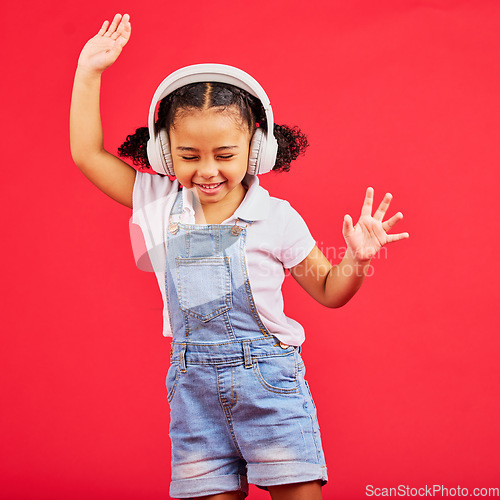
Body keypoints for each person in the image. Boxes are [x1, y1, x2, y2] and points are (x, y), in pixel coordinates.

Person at [70, 13, 409, 500]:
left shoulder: (278, 217)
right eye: (188, 156)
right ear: (165, 152)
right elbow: (86, 154)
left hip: (270, 388)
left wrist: (356, 260)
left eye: (224, 155)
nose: (207, 171)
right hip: (194, 396)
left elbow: (331, 292)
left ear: (256, 145)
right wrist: (89, 72)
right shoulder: (160, 202)